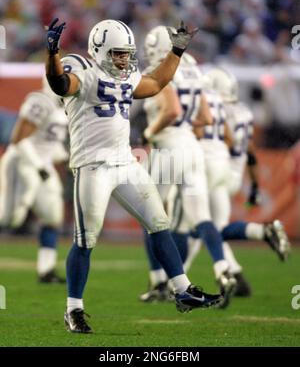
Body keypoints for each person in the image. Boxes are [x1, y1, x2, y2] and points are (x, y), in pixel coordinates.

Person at [45, 18, 223, 334]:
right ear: (98, 50)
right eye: (116, 53)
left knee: (159, 222)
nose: (123, 59)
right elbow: (60, 83)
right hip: (92, 167)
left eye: (126, 53)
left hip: (125, 163)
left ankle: (182, 290)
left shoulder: (127, 78)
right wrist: (52, 53)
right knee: (86, 240)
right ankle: (74, 309)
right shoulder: (84, 76)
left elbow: (156, 83)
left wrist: (177, 51)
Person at [170, 67, 290, 297]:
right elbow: (249, 151)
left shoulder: (214, 104)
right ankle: (235, 274)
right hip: (230, 170)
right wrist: (254, 185)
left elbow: (210, 134)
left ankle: (257, 237)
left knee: (205, 226)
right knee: (209, 228)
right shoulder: (243, 110)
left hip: (210, 166)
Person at [139, 26, 237, 309]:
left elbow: (172, 111)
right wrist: (182, 130)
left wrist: (149, 133)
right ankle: (222, 269)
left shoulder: (164, 68)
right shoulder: (193, 67)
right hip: (192, 148)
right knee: (201, 217)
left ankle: (159, 281)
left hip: (168, 148)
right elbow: (204, 116)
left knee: (151, 216)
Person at [0, 77, 68, 283]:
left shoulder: (64, 107)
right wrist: (39, 166)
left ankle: (46, 270)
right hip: (22, 162)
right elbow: (18, 138)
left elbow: (50, 144)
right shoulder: (41, 101)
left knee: (52, 217)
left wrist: (69, 158)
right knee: (9, 219)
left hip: (42, 166)